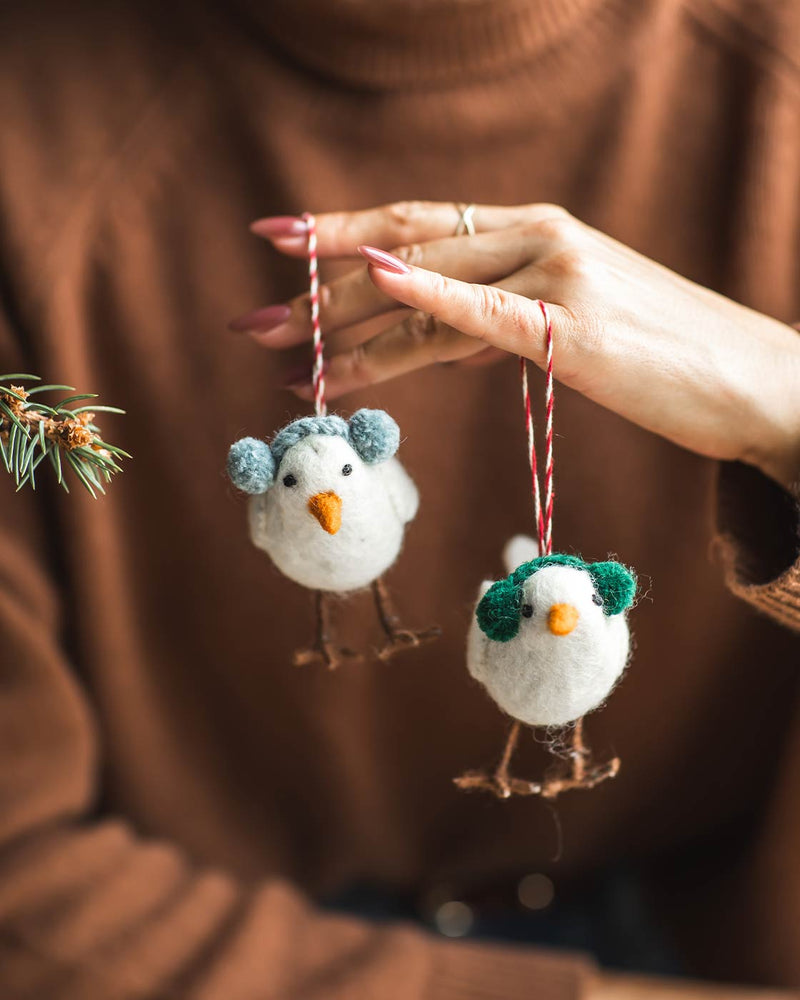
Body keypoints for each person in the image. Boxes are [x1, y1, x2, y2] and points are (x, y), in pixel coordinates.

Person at [0, 1, 798, 998]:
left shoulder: (774, 89)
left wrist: (786, 403)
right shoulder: (33, 138)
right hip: (236, 950)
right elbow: (19, 883)